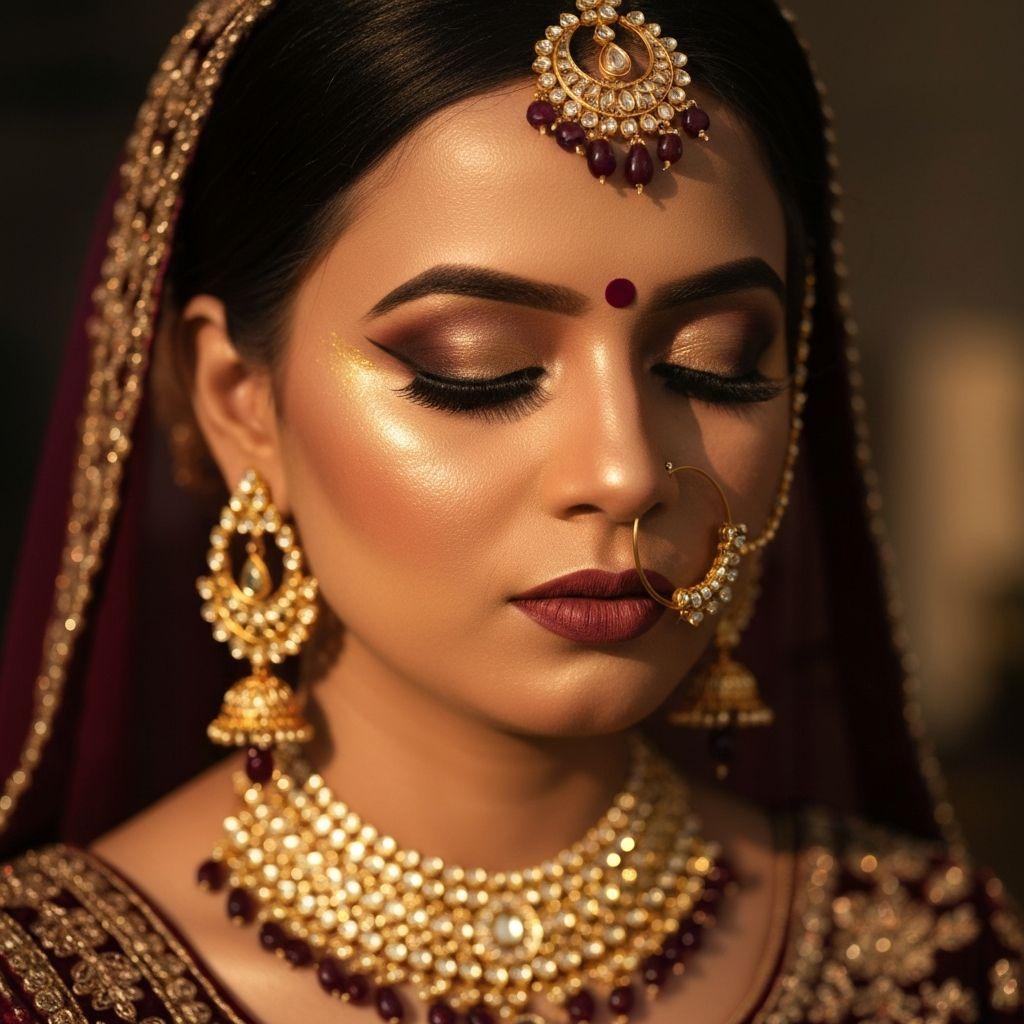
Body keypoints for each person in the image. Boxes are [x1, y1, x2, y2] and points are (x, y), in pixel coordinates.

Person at [0, 0, 1020, 1021]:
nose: (624, 473)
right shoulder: (37, 987)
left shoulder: (925, 967)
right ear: (240, 401)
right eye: (476, 370)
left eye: (713, 365)